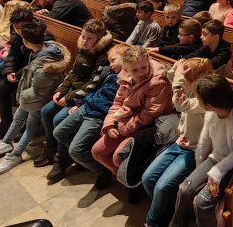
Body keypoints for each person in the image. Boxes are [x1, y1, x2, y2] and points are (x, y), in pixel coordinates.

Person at [0, 22, 70, 175]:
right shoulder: (44, 51)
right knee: (18, 117)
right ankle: (6, 142)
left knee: (30, 124)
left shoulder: (43, 64)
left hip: (41, 98)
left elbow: (38, 91)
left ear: (26, 42)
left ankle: (14, 155)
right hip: (34, 94)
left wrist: (21, 96)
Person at [142, 58, 213, 227]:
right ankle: (164, 211)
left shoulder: (206, 98)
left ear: (193, 81)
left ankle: (152, 222)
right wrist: (177, 68)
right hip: (178, 143)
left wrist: (179, 79)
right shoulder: (189, 88)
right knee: (148, 178)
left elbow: (181, 105)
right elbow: (171, 77)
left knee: (161, 187)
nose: (179, 81)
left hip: (193, 150)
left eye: (184, 78)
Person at [171, 74, 233, 226]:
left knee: (202, 201)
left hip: (230, 167)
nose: (196, 99)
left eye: (198, 98)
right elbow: (204, 142)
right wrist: (199, 167)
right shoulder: (210, 113)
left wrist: (216, 172)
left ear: (208, 105)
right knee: (184, 189)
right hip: (214, 159)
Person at [91, 46, 173, 188]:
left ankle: (132, 180)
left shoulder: (158, 82)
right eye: (135, 70)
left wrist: (123, 127)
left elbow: (149, 114)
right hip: (126, 120)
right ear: (126, 69)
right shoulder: (125, 76)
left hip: (148, 125)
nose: (141, 72)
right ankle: (124, 178)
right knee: (97, 152)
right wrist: (109, 124)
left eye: (143, 67)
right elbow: (117, 102)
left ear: (148, 61)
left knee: (118, 158)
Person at [35, 19, 113, 168]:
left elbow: (93, 84)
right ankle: (51, 147)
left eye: (90, 38)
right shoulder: (84, 49)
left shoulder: (103, 56)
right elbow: (73, 73)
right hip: (73, 93)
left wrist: (69, 97)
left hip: (84, 97)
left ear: (99, 40)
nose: (84, 41)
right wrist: (61, 90)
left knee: (58, 119)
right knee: (45, 111)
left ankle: (62, 158)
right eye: (83, 36)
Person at [49, 43, 124, 183]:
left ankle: (101, 171)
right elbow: (95, 89)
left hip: (97, 116)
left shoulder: (127, 80)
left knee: (74, 150)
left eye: (114, 60)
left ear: (125, 59)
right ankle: (83, 156)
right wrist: (80, 104)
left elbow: (120, 105)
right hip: (86, 107)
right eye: (109, 61)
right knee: (58, 132)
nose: (111, 64)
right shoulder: (109, 72)